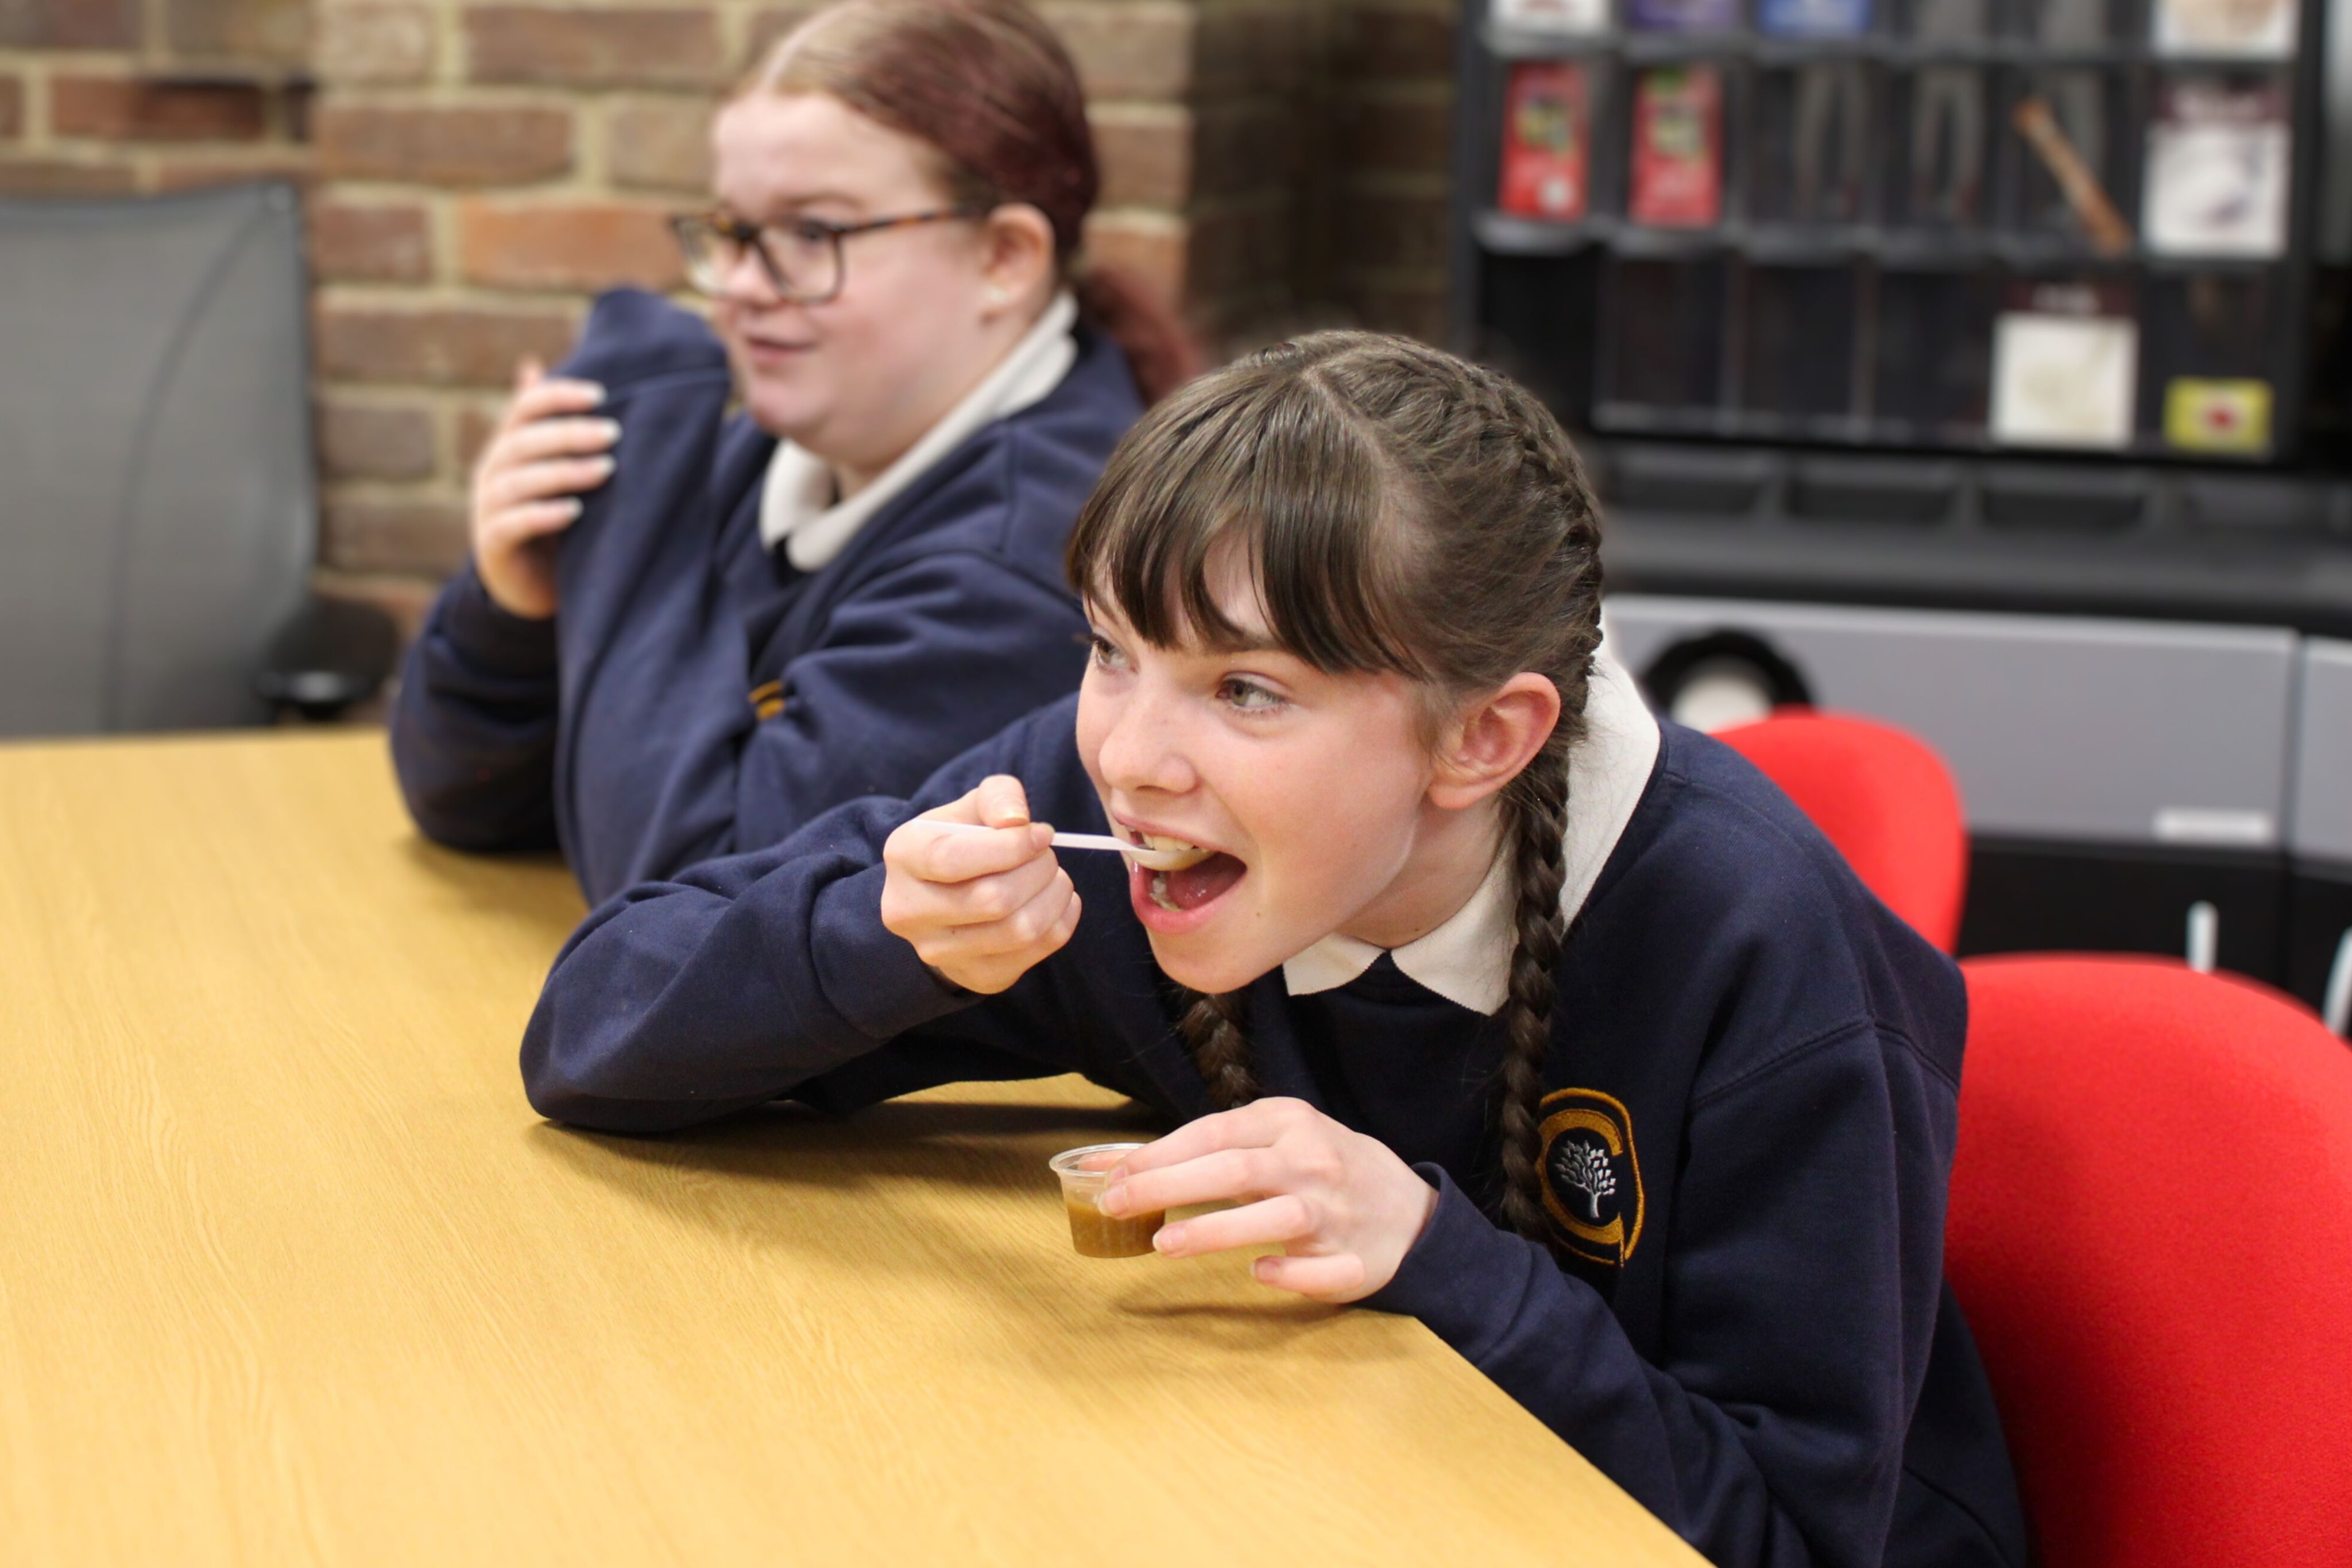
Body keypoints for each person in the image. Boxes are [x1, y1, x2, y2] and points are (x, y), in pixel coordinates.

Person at [519, 334, 2026, 1568]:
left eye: (1247, 689)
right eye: (1113, 650)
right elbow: (590, 1031)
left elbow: (1803, 1533)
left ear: (1486, 736)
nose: (1134, 758)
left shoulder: (1761, 954)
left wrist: (1440, 1257)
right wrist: (876, 934)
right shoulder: (1100, 790)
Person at [390, 0, 1193, 904]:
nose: (738, 289)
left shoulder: (1024, 565)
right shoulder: (793, 445)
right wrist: (518, 613)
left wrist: (632, 525)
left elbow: (691, 907)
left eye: (813, 234)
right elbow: (467, 803)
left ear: (1004, 257)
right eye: (733, 233)